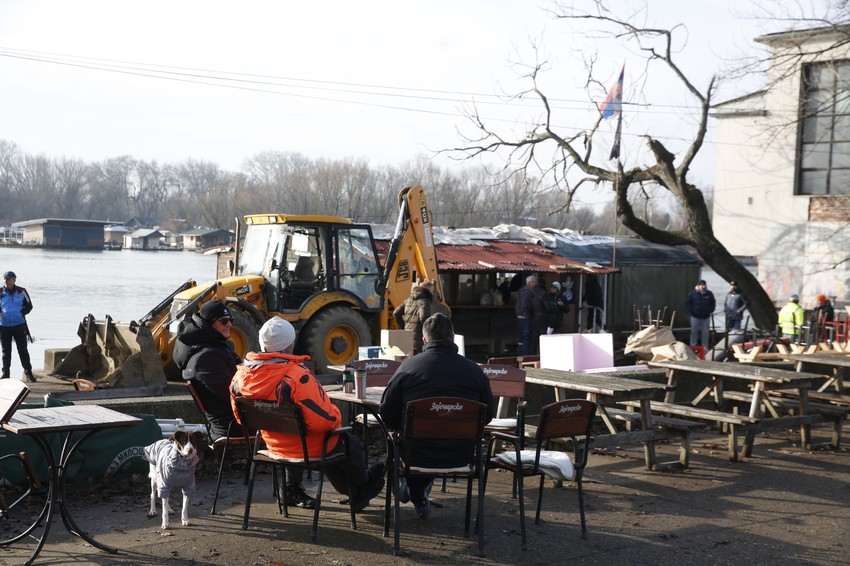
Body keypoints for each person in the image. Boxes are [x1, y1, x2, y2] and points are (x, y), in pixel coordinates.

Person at [230, 317, 385, 512]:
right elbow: (323, 420)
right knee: (346, 441)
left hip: (273, 444)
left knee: (332, 443)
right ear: (289, 345)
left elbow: (239, 417)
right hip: (306, 448)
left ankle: (350, 490)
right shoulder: (296, 377)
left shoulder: (240, 376)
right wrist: (336, 416)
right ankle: (362, 488)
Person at [379, 313, 495, 519]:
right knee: (430, 441)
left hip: (416, 454)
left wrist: (400, 427)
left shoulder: (408, 367)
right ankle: (418, 494)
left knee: (415, 442)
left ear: (424, 340)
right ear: (452, 338)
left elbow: (386, 410)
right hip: (461, 455)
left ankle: (415, 491)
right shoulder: (474, 371)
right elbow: (487, 415)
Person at [0, 271, 34, 382]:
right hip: (4, 326)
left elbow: (29, 306)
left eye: (9, 278)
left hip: (19, 325)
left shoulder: (21, 291)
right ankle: (6, 374)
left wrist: (21, 313)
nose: (6, 280)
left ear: (14, 280)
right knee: (6, 351)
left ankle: (28, 372)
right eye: (5, 278)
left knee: (23, 350)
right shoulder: (0, 292)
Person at [393, 284, 433, 355]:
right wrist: (429, 331)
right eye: (432, 290)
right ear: (428, 290)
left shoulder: (408, 300)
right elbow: (424, 317)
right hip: (420, 340)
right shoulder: (424, 301)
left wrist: (404, 327)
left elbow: (396, 313)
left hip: (408, 338)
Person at [686, 279, 716, 348]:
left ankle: (704, 347)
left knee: (705, 333)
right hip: (695, 316)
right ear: (698, 286)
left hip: (706, 317)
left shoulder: (709, 294)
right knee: (694, 332)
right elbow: (688, 303)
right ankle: (693, 346)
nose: (703, 286)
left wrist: (711, 310)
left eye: (704, 285)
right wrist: (692, 310)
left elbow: (713, 303)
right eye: (701, 285)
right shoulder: (692, 293)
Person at [515, 275, 537, 355]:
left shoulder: (523, 290)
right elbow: (525, 306)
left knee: (522, 337)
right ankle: (525, 355)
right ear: (529, 283)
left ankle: (521, 354)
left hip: (521, 316)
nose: (535, 284)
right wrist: (528, 316)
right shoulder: (527, 293)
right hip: (524, 317)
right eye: (534, 282)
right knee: (526, 336)